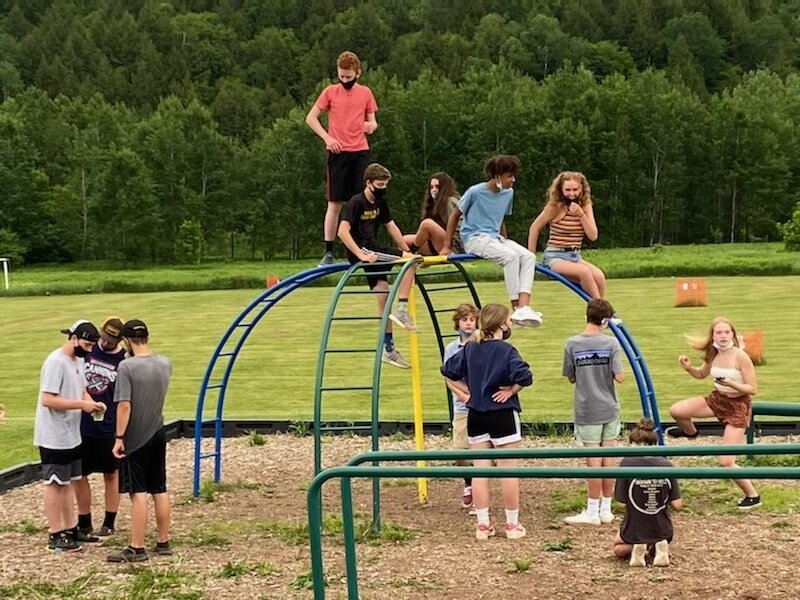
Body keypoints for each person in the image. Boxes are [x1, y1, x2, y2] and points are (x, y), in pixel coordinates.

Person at [441, 304, 533, 540]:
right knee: (508, 471)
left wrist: (468, 393)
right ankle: (512, 526)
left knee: (480, 471)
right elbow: (525, 376)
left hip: (476, 414)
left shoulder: (470, 348)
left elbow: (448, 370)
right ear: (502, 324)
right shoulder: (506, 350)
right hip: (502, 412)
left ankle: (483, 525)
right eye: (509, 320)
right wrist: (511, 391)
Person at [665, 317, 761, 509]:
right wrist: (688, 367)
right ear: (713, 336)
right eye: (719, 332)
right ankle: (690, 432)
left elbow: (753, 388)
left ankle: (753, 496)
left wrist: (732, 384)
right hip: (718, 399)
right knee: (677, 410)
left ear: (733, 335)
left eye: (727, 332)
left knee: (726, 461)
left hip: (738, 406)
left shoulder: (740, 356)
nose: (723, 336)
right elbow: (701, 374)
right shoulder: (712, 353)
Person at [440, 155, 542, 328]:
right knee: (510, 257)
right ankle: (516, 307)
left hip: (494, 237)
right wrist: (446, 246)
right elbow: (455, 216)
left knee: (528, 257)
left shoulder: (508, 193)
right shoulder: (475, 192)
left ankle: (524, 306)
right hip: (474, 238)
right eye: (509, 176)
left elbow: (500, 218)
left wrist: (505, 240)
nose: (513, 180)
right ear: (497, 176)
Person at [338, 162, 419, 369]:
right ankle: (402, 308)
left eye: (385, 185)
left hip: (373, 249)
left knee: (384, 295)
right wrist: (360, 255)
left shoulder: (380, 202)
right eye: (380, 184)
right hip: (365, 250)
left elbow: (391, 227)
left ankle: (388, 349)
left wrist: (406, 249)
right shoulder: (357, 202)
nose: (383, 188)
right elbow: (342, 231)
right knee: (410, 262)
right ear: (368, 183)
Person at [34, 320, 105, 553]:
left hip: (72, 434)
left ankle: (71, 528)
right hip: (53, 435)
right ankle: (56, 533)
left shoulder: (78, 361)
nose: (89, 349)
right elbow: (49, 399)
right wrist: (82, 405)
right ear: (73, 338)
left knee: (69, 482)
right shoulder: (56, 362)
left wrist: (90, 403)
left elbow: (83, 389)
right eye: (86, 344)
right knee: (55, 483)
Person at [107, 319, 174, 563]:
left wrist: (119, 437)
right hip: (158, 430)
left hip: (136, 436)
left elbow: (125, 405)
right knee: (160, 487)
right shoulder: (165, 363)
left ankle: (137, 546)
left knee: (138, 491)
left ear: (126, 340)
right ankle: (163, 540)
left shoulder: (126, 367)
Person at [306, 50, 379, 266]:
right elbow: (311, 118)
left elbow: (373, 121)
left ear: (358, 73)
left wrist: (371, 126)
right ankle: (328, 250)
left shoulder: (365, 93)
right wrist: (327, 138)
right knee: (334, 203)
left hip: (360, 152)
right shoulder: (330, 92)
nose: (345, 80)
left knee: (361, 202)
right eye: (341, 76)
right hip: (338, 153)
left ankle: (362, 246)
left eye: (349, 76)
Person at [562, 299, 624, 526]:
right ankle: (606, 509)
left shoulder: (572, 344)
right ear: (605, 320)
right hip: (609, 406)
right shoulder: (611, 344)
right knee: (608, 459)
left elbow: (570, 376)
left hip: (587, 408)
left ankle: (592, 509)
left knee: (593, 461)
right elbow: (620, 376)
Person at [74, 317, 127, 538]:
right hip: (82, 423)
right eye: (104, 337)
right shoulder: (88, 350)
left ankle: (109, 520)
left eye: (111, 340)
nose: (106, 343)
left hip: (109, 425)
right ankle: (84, 520)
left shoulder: (124, 360)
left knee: (111, 473)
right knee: (80, 473)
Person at [613, 418, 682, 567]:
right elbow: (677, 504)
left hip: (635, 525)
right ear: (655, 444)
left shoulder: (626, 463)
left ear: (632, 443)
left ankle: (638, 546)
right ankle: (657, 546)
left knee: (618, 547)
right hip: (662, 528)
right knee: (656, 536)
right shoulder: (666, 465)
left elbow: (620, 503)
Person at [528, 171, 606, 299]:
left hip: (575, 256)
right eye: (567, 190)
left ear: (582, 189)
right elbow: (534, 228)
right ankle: (600, 309)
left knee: (599, 276)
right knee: (584, 272)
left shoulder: (585, 205)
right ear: (561, 189)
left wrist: (581, 214)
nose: (572, 194)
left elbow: (593, 235)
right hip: (555, 256)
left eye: (575, 189)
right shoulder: (555, 206)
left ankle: (597, 313)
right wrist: (530, 257)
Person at [441, 303, 479, 511]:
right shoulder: (451, 349)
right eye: (465, 319)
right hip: (463, 405)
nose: (468, 323)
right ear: (458, 323)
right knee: (459, 451)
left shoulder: (481, 343)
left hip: (481, 404)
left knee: (482, 450)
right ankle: (468, 484)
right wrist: (464, 396)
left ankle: (480, 492)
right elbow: (448, 376)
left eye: (472, 319)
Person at [403, 172, 463, 256]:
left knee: (427, 224)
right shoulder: (433, 204)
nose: (434, 190)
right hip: (436, 241)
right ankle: (412, 260)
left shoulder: (450, 201)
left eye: (437, 186)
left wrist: (449, 245)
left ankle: (413, 252)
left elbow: (458, 227)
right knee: (404, 241)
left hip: (452, 244)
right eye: (431, 187)